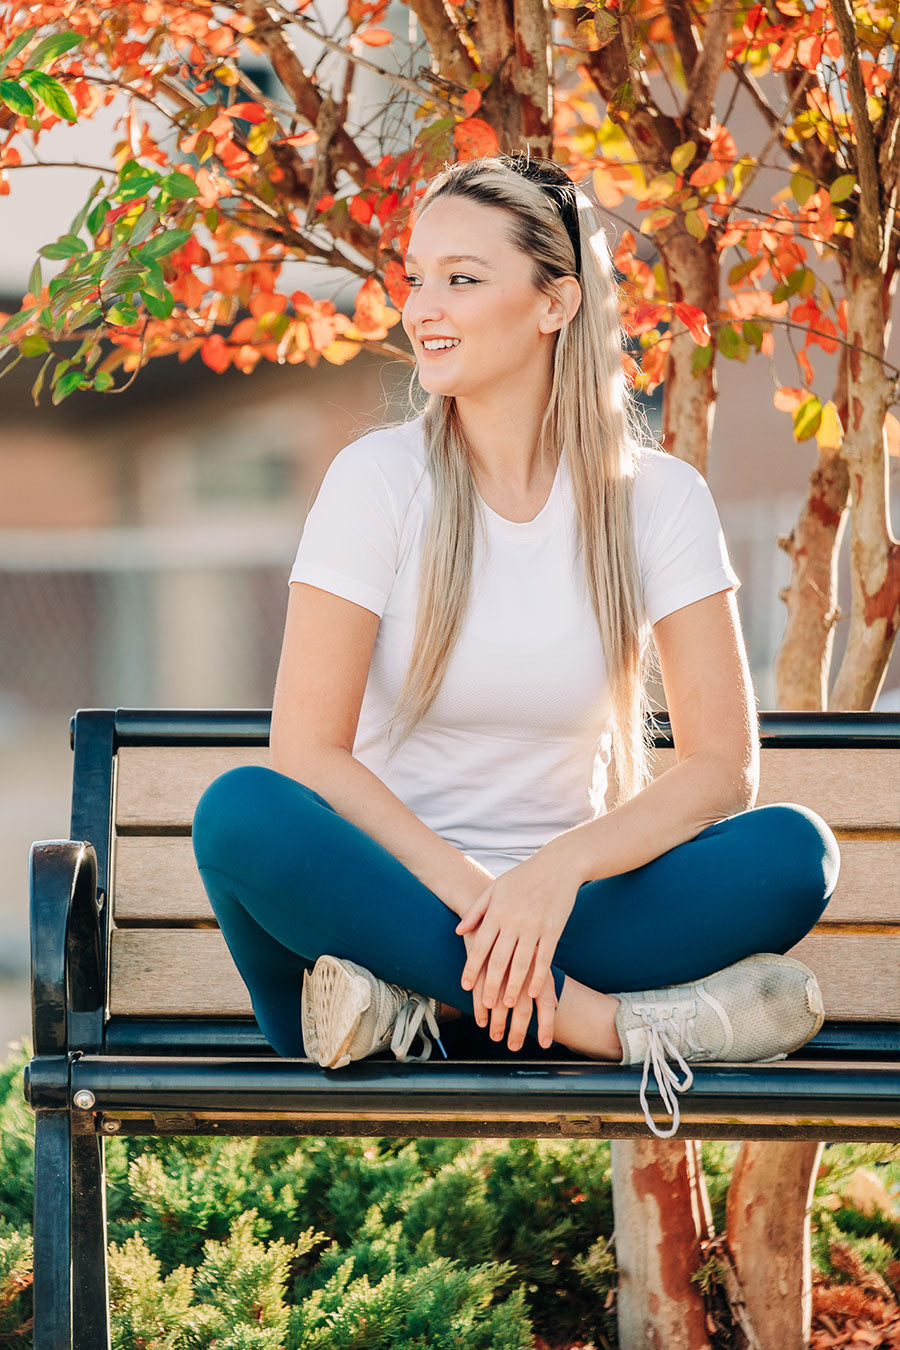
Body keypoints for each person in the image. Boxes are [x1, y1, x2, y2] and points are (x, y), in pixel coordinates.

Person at [191, 154, 840, 1137]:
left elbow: (720, 769)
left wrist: (549, 878)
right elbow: (307, 753)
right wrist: (482, 899)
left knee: (797, 853)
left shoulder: (658, 500)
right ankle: (613, 1029)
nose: (422, 308)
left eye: (462, 277)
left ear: (554, 303)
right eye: (416, 277)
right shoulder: (376, 481)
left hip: (570, 917)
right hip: (381, 915)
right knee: (243, 814)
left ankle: (425, 1010)